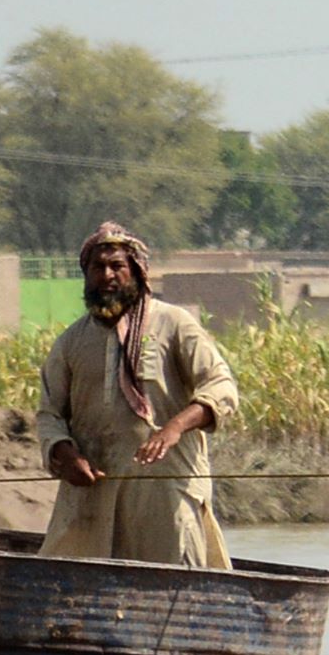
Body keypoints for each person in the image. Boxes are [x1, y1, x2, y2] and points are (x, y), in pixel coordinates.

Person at [35, 221, 241, 567]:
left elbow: (221, 386)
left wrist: (174, 428)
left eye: (117, 266)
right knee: (81, 584)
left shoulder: (174, 324)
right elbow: (49, 414)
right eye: (98, 268)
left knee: (174, 584)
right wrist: (63, 453)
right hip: (93, 493)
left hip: (165, 492)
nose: (107, 276)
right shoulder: (71, 342)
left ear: (137, 272)